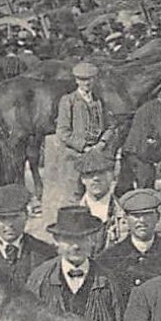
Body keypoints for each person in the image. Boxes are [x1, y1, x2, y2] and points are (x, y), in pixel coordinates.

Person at [45, 61, 110, 214]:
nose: (86, 83)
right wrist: (83, 147)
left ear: (94, 80)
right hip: (76, 156)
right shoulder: (68, 101)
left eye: (89, 79)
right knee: (75, 194)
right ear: (76, 81)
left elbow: (109, 126)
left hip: (96, 155)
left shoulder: (98, 100)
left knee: (97, 193)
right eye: (82, 79)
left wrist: (102, 143)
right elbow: (63, 132)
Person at [98, 188, 161, 315]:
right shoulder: (109, 258)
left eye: (147, 215)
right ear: (126, 219)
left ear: (158, 217)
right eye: (135, 216)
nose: (142, 221)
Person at [0, 182, 54, 285]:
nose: (9, 224)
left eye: (15, 217)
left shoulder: (45, 252)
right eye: (2, 218)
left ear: (26, 216)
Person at [122, 85, 161, 194]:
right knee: (146, 186)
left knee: (125, 187)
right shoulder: (157, 108)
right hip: (142, 153)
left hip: (129, 150)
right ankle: (144, 208)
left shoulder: (145, 107)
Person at [75, 150, 127, 250]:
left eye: (101, 173)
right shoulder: (73, 212)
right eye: (90, 174)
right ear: (83, 179)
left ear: (111, 176)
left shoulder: (123, 210)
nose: (96, 178)